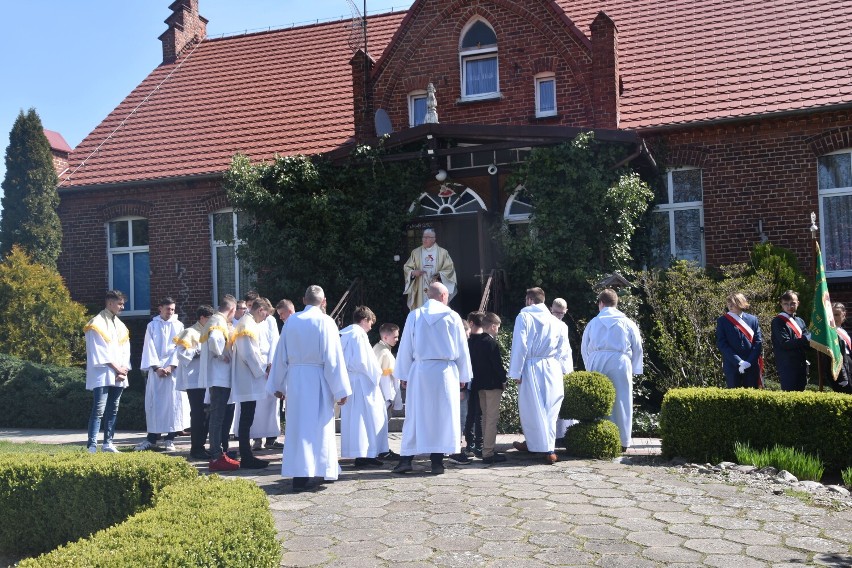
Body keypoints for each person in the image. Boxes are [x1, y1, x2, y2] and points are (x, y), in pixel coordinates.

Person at [267, 285, 351, 492]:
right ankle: (324, 470)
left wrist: (277, 383)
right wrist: (341, 389)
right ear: (323, 302)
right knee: (320, 426)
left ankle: (299, 474)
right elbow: (333, 359)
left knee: (297, 427)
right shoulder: (326, 322)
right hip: (318, 379)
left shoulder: (292, 322)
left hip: (296, 380)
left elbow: (280, 355)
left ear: (303, 301)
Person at [393, 282, 472, 475]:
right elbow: (462, 348)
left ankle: (406, 460)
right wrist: (463, 376)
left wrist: (403, 374)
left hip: (420, 371)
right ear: (444, 296)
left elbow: (406, 346)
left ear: (429, 296)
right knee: (442, 416)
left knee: (416, 415)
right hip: (445, 372)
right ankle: (437, 462)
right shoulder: (452, 317)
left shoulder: (415, 315)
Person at [508, 287, 569, 464]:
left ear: (528, 300)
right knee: (550, 408)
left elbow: (520, 345)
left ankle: (543, 447)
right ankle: (542, 446)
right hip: (552, 366)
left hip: (532, 365)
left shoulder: (524, 316)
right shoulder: (557, 322)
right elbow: (563, 350)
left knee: (532, 409)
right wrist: (564, 371)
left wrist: (516, 371)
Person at [581, 288, 644, 451]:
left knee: (598, 400)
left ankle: (598, 438)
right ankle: (623, 441)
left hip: (597, 359)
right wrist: (634, 368)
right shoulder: (627, 322)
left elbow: (584, 347)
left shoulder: (593, 322)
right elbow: (637, 346)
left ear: (601, 303)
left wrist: (589, 365)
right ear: (616, 303)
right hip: (620, 361)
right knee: (622, 400)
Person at [340, 306, 388, 467]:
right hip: (362, 381)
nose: (371, 327)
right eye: (371, 323)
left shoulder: (344, 333)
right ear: (365, 320)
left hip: (351, 380)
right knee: (367, 417)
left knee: (356, 419)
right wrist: (377, 375)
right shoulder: (358, 334)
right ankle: (365, 454)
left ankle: (361, 453)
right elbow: (364, 361)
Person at [135, 297, 185, 452]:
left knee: (172, 404)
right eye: (167, 309)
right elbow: (148, 347)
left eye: (172, 309)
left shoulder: (179, 325)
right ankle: (152, 438)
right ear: (160, 308)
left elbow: (180, 347)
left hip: (172, 371)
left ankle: (170, 438)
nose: (170, 312)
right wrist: (156, 367)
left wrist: (171, 366)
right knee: (154, 404)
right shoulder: (152, 326)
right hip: (156, 371)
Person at [84, 290, 131, 453]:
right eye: (120, 304)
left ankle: (108, 442)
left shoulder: (121, 325)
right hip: (103, 373)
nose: (122, 307)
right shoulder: (96, 323)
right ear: (110, 303)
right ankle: (91, 444)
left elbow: (126, 350)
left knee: (113, 408)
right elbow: (99, 351)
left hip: (119, 374)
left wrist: (123, 369)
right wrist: (117, 368)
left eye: (123, 303)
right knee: (99, 408)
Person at [229, 298, 273, 469]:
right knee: (246, 417)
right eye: (265, 314)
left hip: (249, 377)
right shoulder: (247, 325)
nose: (265, 318)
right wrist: (262, 369)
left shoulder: (247, 323)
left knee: (248, 417)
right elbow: (249, 354)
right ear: (260, 309)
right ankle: (246, 457)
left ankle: (247, 455)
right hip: (248, 378)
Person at [200, 294, 239, 471]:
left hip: (219, 376)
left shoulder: (218, 319)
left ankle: (218, 452)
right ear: (231, 309)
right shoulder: (218, 321)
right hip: (219, 376)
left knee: (218, 415)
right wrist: (220, 354)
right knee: (217, 416)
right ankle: (216, 455)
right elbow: (215, 339)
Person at [174, 304, 214, 459]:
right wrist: (198, 351)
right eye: (209, 319)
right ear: (202, 318)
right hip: (194, 380)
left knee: (205, 414)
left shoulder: (208, 332)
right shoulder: (189, 332)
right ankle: (196, 448)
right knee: (198, 414)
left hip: (205, 378)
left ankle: (201, 446)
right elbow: (181, 354)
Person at [470, 311, 508, 464]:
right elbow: (497, 365)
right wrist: (504, 379)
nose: (498, 330)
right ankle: (488, 452)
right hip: (492, 385)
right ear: (493, 326)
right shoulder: (491, 342)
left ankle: (485, 448)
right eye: (498, 327)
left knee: (485, 418)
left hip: (479, 384)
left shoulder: (475, 341)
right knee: (491, 419)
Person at [716, 293, 763, 388]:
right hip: (732, 364)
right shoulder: (722, 321)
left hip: (751, 365)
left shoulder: (752, 319)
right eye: (729, 303)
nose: (730, 306)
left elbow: (758, 343)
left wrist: (749, 362)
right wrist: (739, 361)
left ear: (741, 303)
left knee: (752, 396)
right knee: (734, 398)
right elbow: (722, 344)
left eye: (733, 303)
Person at [403, 228, 457, 310]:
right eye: (424, 237)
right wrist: (413, 272)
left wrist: (439, 275)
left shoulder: (443, 253)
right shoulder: (415, 252)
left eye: (428, 237)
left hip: (436, 287)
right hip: (420, 287)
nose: (424, 239)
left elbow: (449, 269)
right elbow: (407, 267)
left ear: (434, 239)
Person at [771, 290, 811, 391]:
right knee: (789, 394)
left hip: (801, 363)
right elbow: (785, 344)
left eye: (793, 303)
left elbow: (807, 344)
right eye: (786, 304)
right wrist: (807, 338)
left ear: (798, 303)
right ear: (781, 305)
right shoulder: (778, 322)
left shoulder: (800, 321)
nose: (789, 307)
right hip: (787, 365)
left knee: (801, 394)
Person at [826, 303, 852, 394]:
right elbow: (837, 356)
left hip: (848, 366)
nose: (833, 318)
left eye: (836, 314)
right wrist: (843, 377)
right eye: (831, 315)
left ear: (844, 314)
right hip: (839, 370)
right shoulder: (830, 333)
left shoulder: (842, 330)